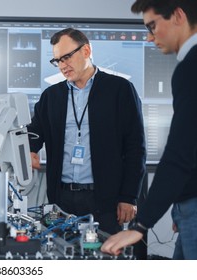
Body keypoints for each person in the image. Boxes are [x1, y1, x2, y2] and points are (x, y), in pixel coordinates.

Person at [101, 0, 197, 259]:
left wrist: (141, 225)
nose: (150, 37)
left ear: (178, 15)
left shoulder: (190, 68)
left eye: (153, 26)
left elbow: (181, 152)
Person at [27, 28, 146, 235]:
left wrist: (129, 196)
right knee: (60, 257)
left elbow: (136, 147)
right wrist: (28, 150)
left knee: (104, 260)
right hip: (61, 199)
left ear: (86, 50)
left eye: (66, 57)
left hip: (105, 200)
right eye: (57, 61)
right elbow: (35, 133)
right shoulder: (51, 96)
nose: (63, 66)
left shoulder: (120, 90)